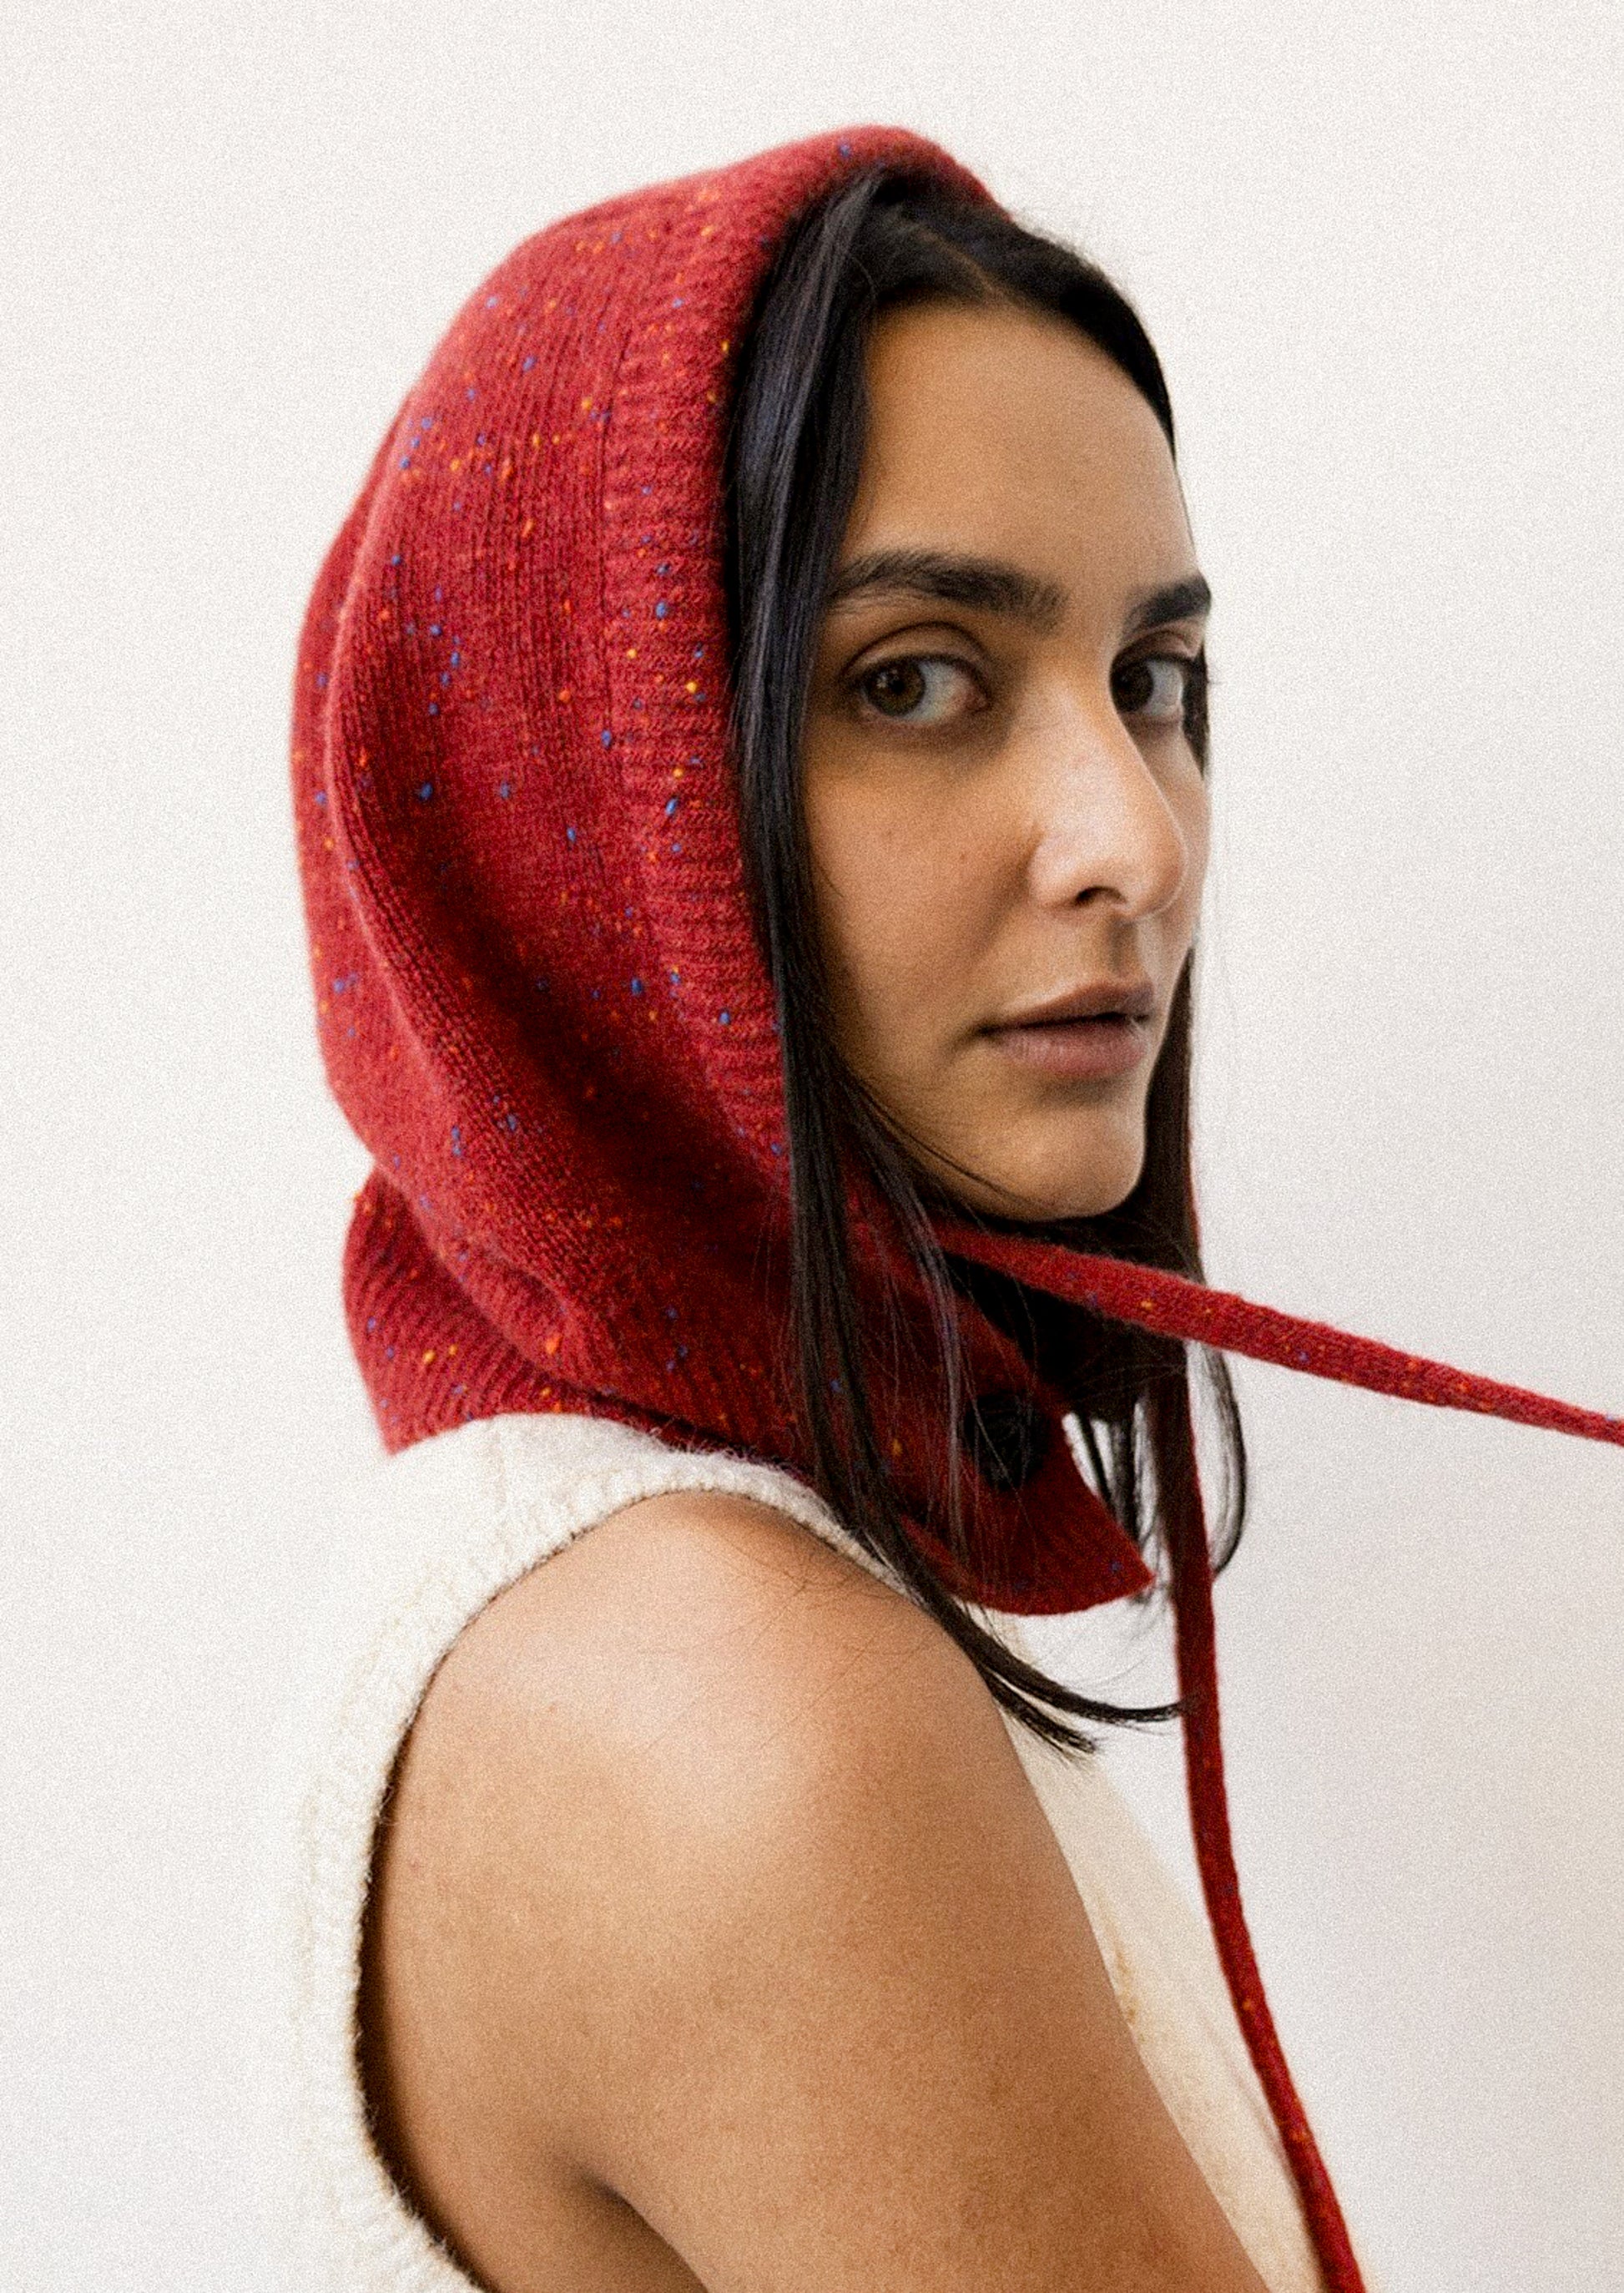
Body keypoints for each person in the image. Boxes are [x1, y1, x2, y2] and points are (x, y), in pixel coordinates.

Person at [280, 123, 1618, 2293]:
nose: (1130, 839)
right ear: (571, 789)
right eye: (914, 678)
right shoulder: (728, 1701)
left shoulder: (620, 1574)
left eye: (1151, 682)